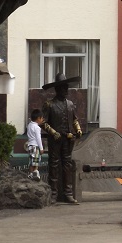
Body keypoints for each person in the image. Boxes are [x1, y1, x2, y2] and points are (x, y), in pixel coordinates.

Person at [42, 73, 84, 203]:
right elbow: (43, 122)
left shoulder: (70, 104)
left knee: (67, 165)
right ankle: (53, 193)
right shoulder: (49, 104)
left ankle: (68, 193)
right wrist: (53, 132)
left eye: (67, 88)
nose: (66, 90)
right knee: (53, 165)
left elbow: (74, 119)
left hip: (68, 139)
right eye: (63, 88)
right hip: (55, 140)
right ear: (57, 89)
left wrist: (78, 129)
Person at [26, 109, 44, 182]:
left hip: (30, 146)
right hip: (35, 146)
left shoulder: (29, 125)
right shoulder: (37, 128)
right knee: (36, 161)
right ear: (38, 118)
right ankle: (36, 173)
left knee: (31, 161)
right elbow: (38, 139)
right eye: (42, 118)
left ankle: (30, 173)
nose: (42, 120)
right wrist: (41, 148)